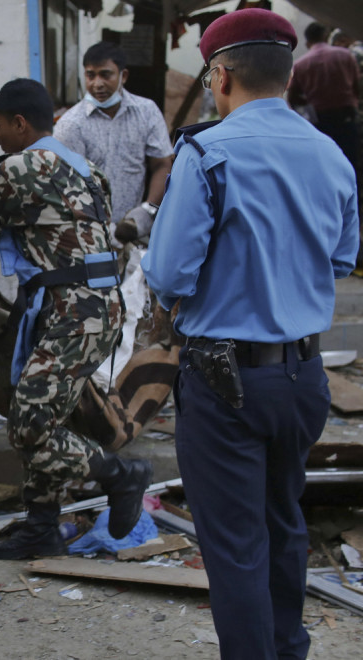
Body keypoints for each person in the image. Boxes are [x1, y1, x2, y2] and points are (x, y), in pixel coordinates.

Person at [142, 9, 359, 658]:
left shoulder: (208, 153)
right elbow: (341, 259)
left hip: (224, 378)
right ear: (287, 76)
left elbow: (170, 272)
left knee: (236, 544)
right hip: (303, 377)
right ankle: (287, 649)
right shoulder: (331, 154)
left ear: (222, 76)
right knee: (282, 523)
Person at [0, 78, 150, 560]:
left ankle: (122, 476)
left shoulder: (17, 169)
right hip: (96, 307)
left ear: (20, 124)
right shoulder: (87, 169)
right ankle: (42, 526)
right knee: (47, 415)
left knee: (29, 424)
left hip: (73, 312)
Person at [54, 41, 173, 244]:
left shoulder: (146, 112)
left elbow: (162, 164)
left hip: (135, 233)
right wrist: (98, 228)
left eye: (105, 74)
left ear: (123, 76)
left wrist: (147, 210)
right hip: (87, 236)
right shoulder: (71, 124)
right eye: (90, 75)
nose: (97, 84)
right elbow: (66, 184)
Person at [289, 22, 360, 170]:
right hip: (347, 116)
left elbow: (293, 98)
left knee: (326, 164)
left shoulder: (300, 64)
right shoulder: (346, 55)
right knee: (350, 160)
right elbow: (357, 86)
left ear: (307, 42)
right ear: (326, 37)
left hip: (320, 121)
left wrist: (309, 112)